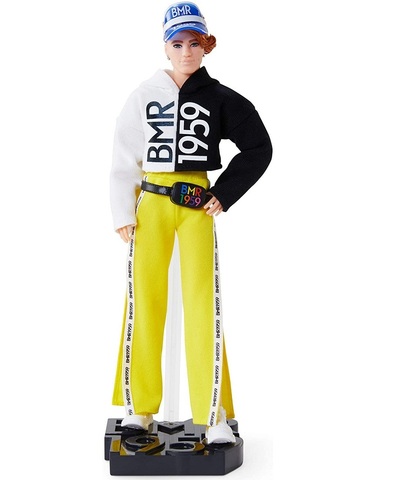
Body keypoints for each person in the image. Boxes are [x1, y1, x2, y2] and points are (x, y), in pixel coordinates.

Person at [109, 2, 272, 444]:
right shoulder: (143, 95)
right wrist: (122, 211)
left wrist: (225, 192)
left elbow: (259, 146)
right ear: (165, 46)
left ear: (207, 46)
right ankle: (139, 407)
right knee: (143, 301)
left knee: (204, 303)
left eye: (194, 43)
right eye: (178, 43)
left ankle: (212, 412)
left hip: (197, 204)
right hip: (151, 205)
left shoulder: (220, 98)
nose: (186, 52)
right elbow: (124, 154)